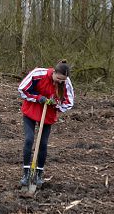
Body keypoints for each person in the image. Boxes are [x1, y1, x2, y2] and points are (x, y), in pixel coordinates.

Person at [17, 60, 75, 188]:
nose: (60, 82)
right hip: (31, 110)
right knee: (29, 139)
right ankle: (26, 174)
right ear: (53, 72)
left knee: (43, 143)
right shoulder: (38, 74)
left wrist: (57, 105)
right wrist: (39, 98)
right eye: (58, 78)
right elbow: (22, 90)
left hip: (48, 114)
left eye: (63, 80)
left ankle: (38, 174)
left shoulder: (66, 82)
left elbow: (69, 102)